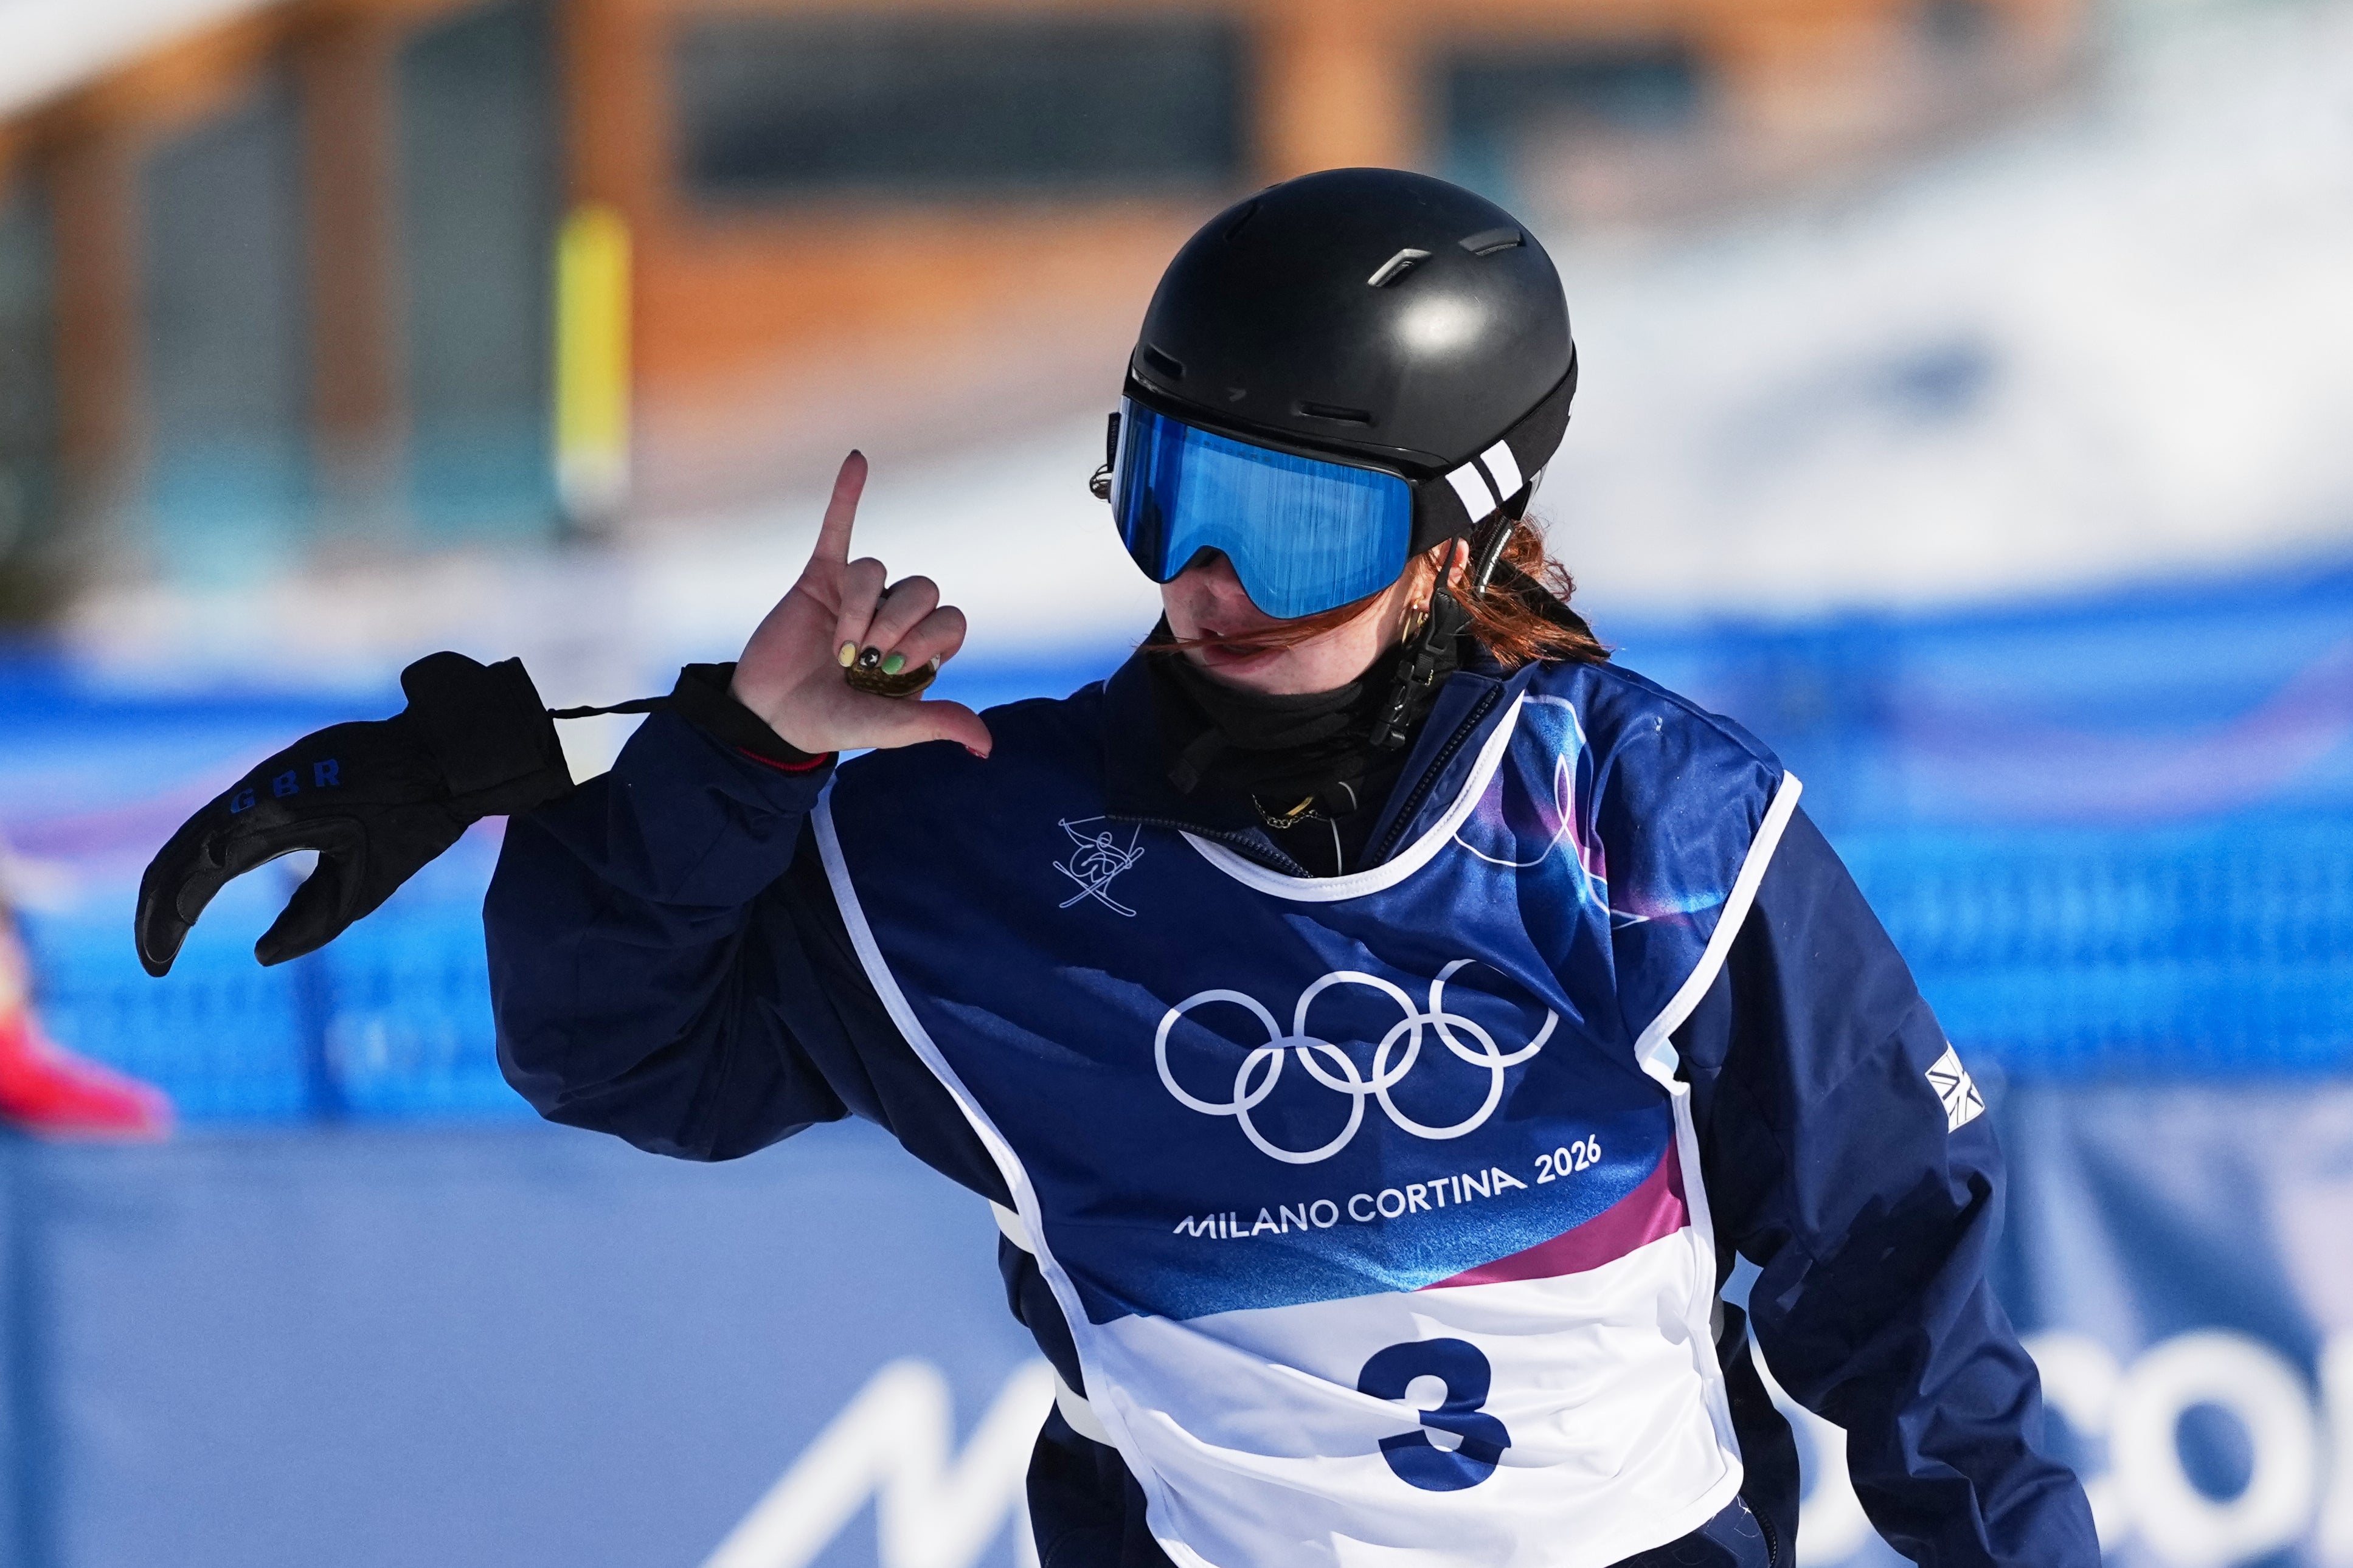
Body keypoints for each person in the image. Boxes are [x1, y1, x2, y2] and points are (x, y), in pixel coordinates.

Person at [139, 170, 2096, 1567]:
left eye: (1295, 525)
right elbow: (622, 1054)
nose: (1213, 585)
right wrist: (725, 759)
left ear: (1456, 546)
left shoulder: (1637, 829)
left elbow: (1898, 1278)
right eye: (1176, 497)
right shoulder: (975, 838)